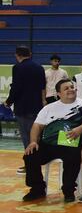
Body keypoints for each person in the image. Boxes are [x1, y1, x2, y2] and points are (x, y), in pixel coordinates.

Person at [22, 79, 82, 202]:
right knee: (30, 155)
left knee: (72, 157)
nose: (70, 90)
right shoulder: (49, 108)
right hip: (50, 143)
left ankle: (68, 191)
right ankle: (37, 189)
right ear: (58, 94)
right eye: (66, 88)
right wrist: (33, 141)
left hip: (72, 141)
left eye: (72, 87)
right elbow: (37, 126)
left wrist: (79, 129)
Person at [4, 46, 46, 174]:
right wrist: (43, 102)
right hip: (37, 107)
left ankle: (30, 166)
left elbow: (16, 87)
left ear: (17, 55)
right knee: (36, 136)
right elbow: (42, 87)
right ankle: (34, 164)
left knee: (27, 138)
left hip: (23, 107)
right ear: (30, 54)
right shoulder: (39, 67)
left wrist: (8, 101)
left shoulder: (17, 67)